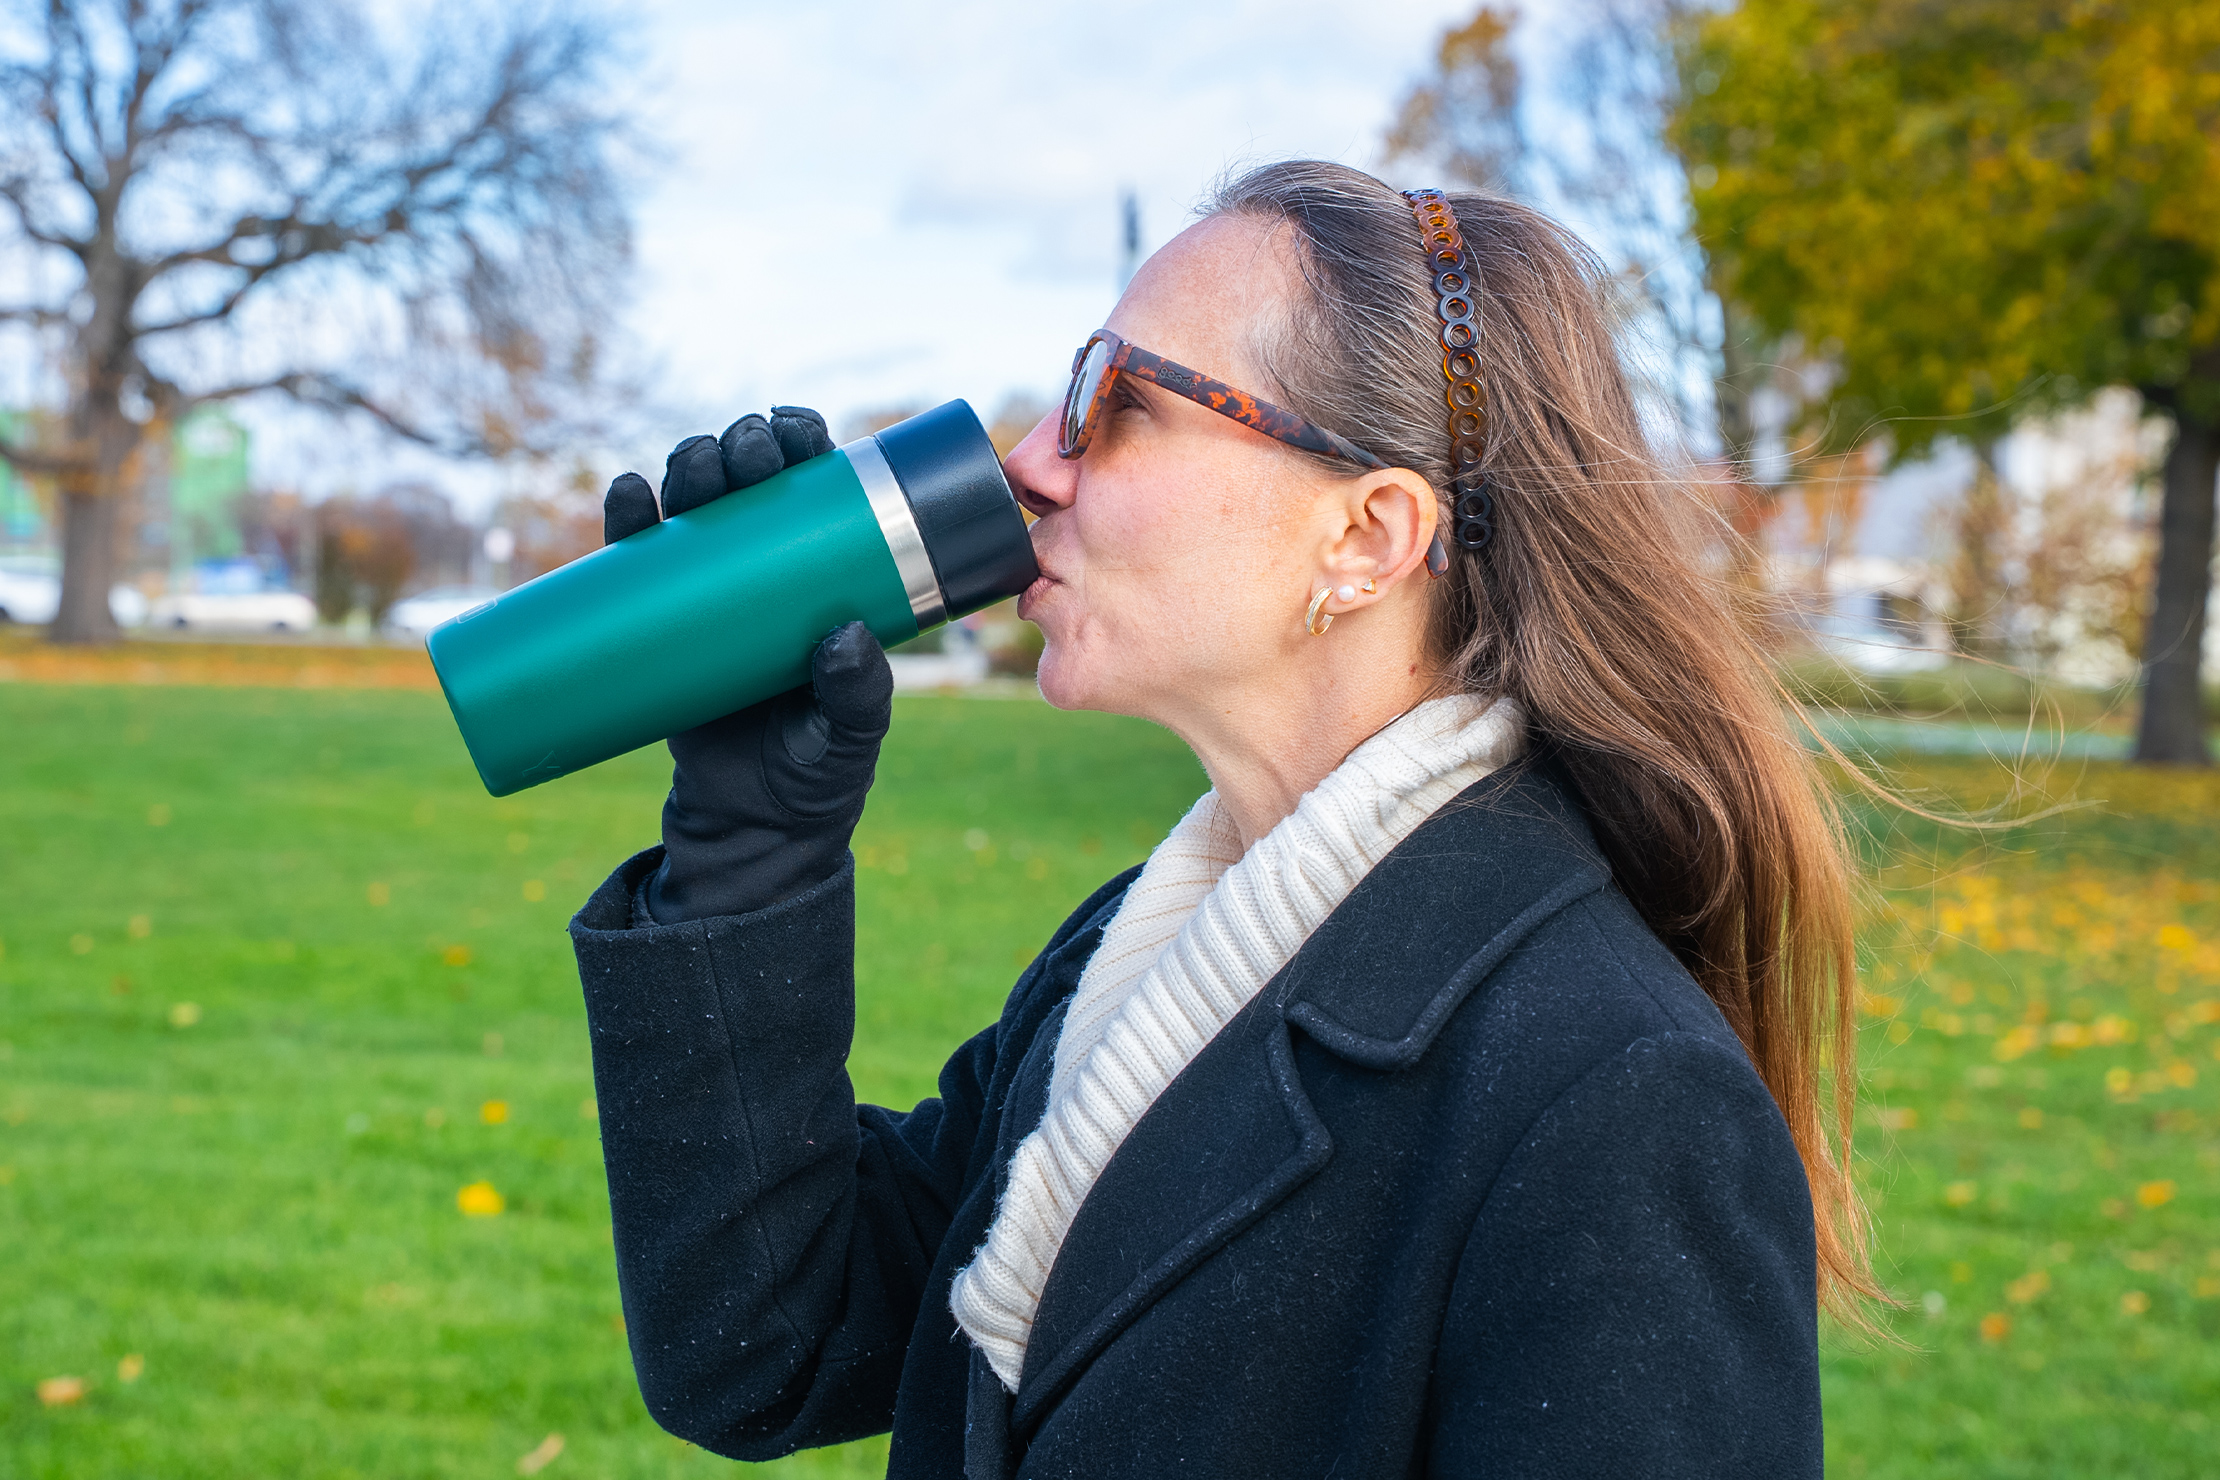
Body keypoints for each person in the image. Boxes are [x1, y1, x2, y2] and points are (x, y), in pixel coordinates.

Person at [571, 160, 1875, 1479]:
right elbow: (761, 1353)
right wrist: (746, 856)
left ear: (1367, 537)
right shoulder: (1146, 962)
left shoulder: (1616, 1101)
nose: (1031, 463)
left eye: (1115, 403)